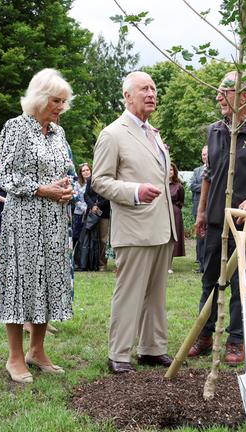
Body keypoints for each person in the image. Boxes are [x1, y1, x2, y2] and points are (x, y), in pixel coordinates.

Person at [190, 71, 246, 366]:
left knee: (240, 283)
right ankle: (204, 336)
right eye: (218, 91)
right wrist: (202, 212)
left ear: (243, 96)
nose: (218, 96)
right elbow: (208, 174)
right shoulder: (215, 131)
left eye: (225, 92)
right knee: (209, 278)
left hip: (245, 223)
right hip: (216, 220)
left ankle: (236, 341)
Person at [0, 68, 76, 384]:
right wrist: (43, 190)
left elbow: (64, 171)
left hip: (55, 219)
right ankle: (14, 357)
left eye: (64, 102)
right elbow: (5, 176)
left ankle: (37, 351)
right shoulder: (15, 127)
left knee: (49, 280)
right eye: (56, 101)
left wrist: (67, 189)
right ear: (39, 98)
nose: (61, 107)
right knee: (20, 282)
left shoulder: (58, 133)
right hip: (24, 219)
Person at [91, 71, 177, 374]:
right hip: (134, 227)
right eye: (144, 89)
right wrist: (135, 192)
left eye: (154, 88)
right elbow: (100, 181)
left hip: (161, 227)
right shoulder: (113, 134)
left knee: (156, 295)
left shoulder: (153, 133)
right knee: (129, 294)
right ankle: (119, 354)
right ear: (127, 96)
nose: (151, 93)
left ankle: (152, 349)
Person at [84, 175, 111, 271]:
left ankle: (102, 264)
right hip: (92, 213)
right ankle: (91, 264)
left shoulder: (107, 178)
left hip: (104, 214)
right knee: (91, 238)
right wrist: (92, 206)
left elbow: (109, 197)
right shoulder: (90, 179)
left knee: (103, 240)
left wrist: (97, 205)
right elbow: (86, 195)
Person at [190, 146, 208, 273]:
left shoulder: (216, 169)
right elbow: (192, 186)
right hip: (198, 208)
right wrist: (206, 186)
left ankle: (209, 265)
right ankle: (201, 264)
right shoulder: (197, 171)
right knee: (200, 237)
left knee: (210, 237)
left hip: (211, 208)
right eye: (203, 154)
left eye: (206, 154)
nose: (204, 157)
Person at [169, 162, 185, 273]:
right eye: (168, 169)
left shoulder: (178, 186)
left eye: (171, 170)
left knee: (172, 239)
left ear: (174, 172)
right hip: (161, 212)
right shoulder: (159, 184)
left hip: (174, 214)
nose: (170, 171)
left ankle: (168, 265)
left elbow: (181, 201)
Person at [71, 163, 91, 246]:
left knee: (88, 238)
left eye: (87, 170)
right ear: (81, 173)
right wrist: (83, 207)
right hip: (79, 214)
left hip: (91, 214)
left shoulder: (94, 183)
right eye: (83, 171)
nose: (86, 172)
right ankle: (75, 253)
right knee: (77, 237)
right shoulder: (77, 184)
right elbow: (74, 197)